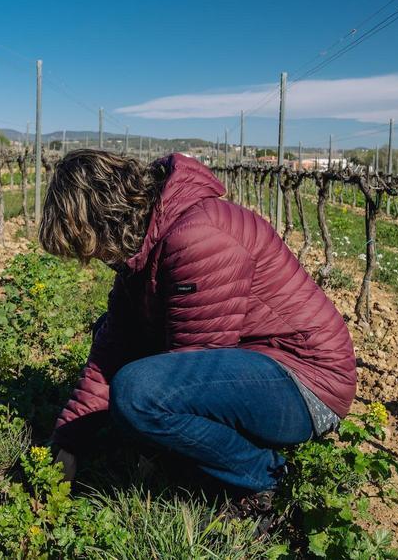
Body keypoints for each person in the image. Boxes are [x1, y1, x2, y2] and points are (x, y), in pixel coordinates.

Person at [40, 149, 357, 512]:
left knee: (138, 393)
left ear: (106, 218)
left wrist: (149, 446)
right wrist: (69, 441)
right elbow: (115, 345)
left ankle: (263, 476)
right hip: (254, 364)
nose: (93, 259)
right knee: (114, 339)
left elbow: (195, 361)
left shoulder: (197, 238)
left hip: (304, 384)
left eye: (90, 247)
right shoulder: (146, 241)